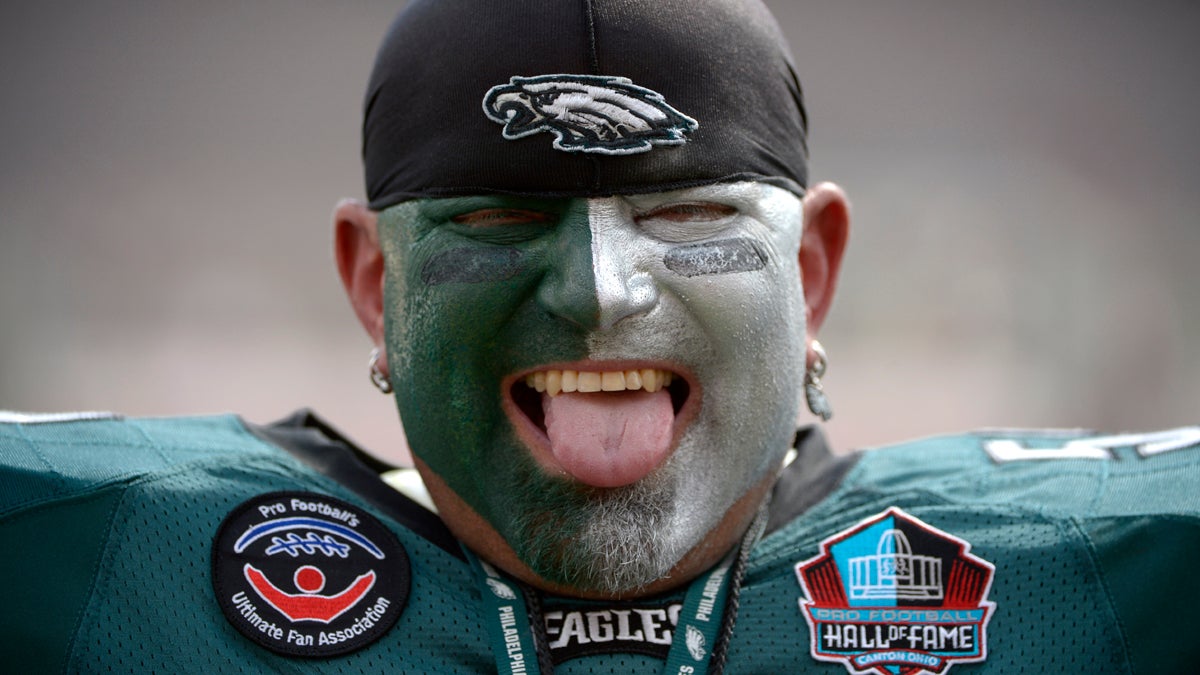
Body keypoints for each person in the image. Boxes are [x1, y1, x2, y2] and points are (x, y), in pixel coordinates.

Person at [1, 1, 1197, 673]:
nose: (599, 292)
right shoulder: (119, 559)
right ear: (375, 283)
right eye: (501, 217)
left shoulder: (1083, 577)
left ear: (813, 272)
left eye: (689, 214)